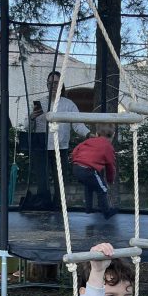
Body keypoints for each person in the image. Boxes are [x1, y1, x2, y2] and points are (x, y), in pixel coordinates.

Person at [33, 71, 89, 209]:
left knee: (61, 180)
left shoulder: (68, 104)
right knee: (42, 181)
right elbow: (29, 126)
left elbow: (78, 124)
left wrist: (88, 134)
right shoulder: (41, 102)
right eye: (50, 83)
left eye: (56, 83)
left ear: (61, 85)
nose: (52, 86)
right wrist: (31, 118)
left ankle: (59, 207)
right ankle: (44, 207)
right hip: (41, 147)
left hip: (60, 147)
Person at [70, 123, 118, 218]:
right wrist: (110, 180)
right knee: (103, 188)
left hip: (76, 168)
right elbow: (110, 166)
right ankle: (107, 212)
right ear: (112, 135)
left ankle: (88, 208)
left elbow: (76, 150)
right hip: (88, 170)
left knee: (89, 185)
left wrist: (75, 160)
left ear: (96, 134)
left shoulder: (89, 141)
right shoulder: (108, 146)